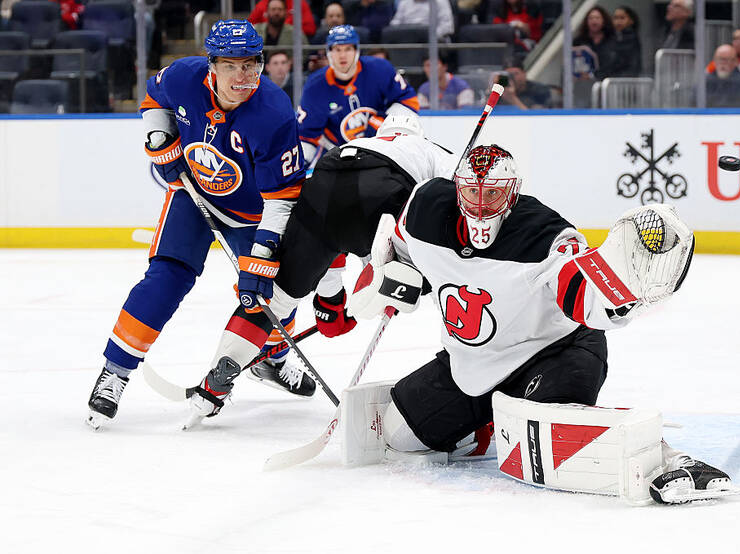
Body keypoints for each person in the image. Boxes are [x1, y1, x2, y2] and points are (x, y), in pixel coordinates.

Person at [344, 143, 740, 504]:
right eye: (471, 192)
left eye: (493, 194)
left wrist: (620, 297)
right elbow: (401, 248)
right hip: (474, 366)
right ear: (457, 187)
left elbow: (583, 299)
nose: (480, 205)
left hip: (557, 353)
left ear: (512, 194)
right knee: (398, 435)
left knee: (549, 438)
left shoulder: (546, 234)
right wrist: (387, 275)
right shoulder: (426, 207)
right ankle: (484, 427)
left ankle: (671, 461)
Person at [86, 20, 308, 429]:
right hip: (193, 195)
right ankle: (114, 373)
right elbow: (154, 97)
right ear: (212, 66)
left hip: (254, 214)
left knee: (270, 295)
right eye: (232, 66)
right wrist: (159, 140)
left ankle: (272, 360)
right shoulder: (184, 75)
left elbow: (283, 198)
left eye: (251, 64)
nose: (244, 76)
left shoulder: (274, 114)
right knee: (165, 278)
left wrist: (260, 258)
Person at [187, 113, 460, 421]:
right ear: (418, 133)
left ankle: (213, 387)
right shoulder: (427, 148)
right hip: (384, 189)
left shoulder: (360, 141)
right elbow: (460, 190)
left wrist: (330, 301)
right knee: (406, 275)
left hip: (325, 181)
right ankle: (388, 283)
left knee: (277, 298)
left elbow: (333, 243)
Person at [296, 25, 420, 168]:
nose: (342, 55)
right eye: (337, 49)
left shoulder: (380, 69)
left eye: (348, 49)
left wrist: (383, 125)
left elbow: (409, 101)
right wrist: (298, 166)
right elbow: (306, 136)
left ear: (356, 50)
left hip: (382, 149)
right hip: (336, 153)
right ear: (329, 53)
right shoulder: (315, 86)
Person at [572, 5, 615, 80]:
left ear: (604, 20)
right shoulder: (578, 41)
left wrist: (593, 75)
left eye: (597, 18)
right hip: (582, 84)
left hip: (607, 82)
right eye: (591, 18)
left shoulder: (613, 40)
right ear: (586, 21)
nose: (594, 21)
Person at [390, 0, 455, 42]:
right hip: (407, 39)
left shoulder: (441, 2)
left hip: (433, 40)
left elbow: (448, 26)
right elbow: (395, 23)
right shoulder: (405, 2)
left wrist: (428, 35)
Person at [248, 0, 317, 36]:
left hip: (291, 43)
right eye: (273, 9)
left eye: (279, 9)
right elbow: (248, 27)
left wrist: (285, 28)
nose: (276, 12)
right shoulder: (262, 4)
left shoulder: (299, 3)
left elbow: (310, 29)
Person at [609, 5, 642, 78]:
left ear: (631, 21)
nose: (618, 21)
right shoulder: (613, 37)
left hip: (625, 79)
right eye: (615, 18)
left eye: (622, 18)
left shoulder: (631, 38)